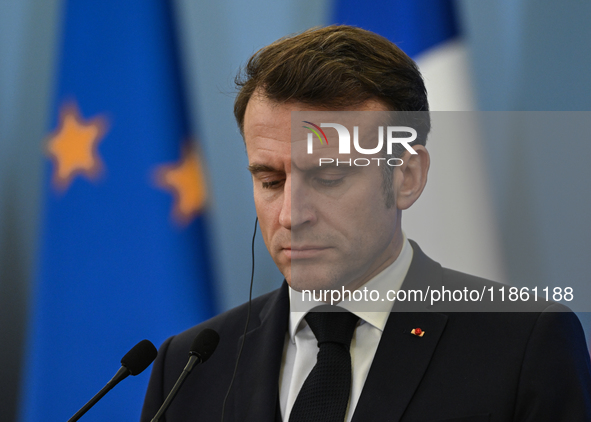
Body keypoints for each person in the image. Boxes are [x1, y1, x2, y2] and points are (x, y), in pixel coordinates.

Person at [141, 25, 591, 422]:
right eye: (271, 180)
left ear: (406, 177)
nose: (291, 215)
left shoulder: (523, 342)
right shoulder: (189, 365)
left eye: (329, 177)